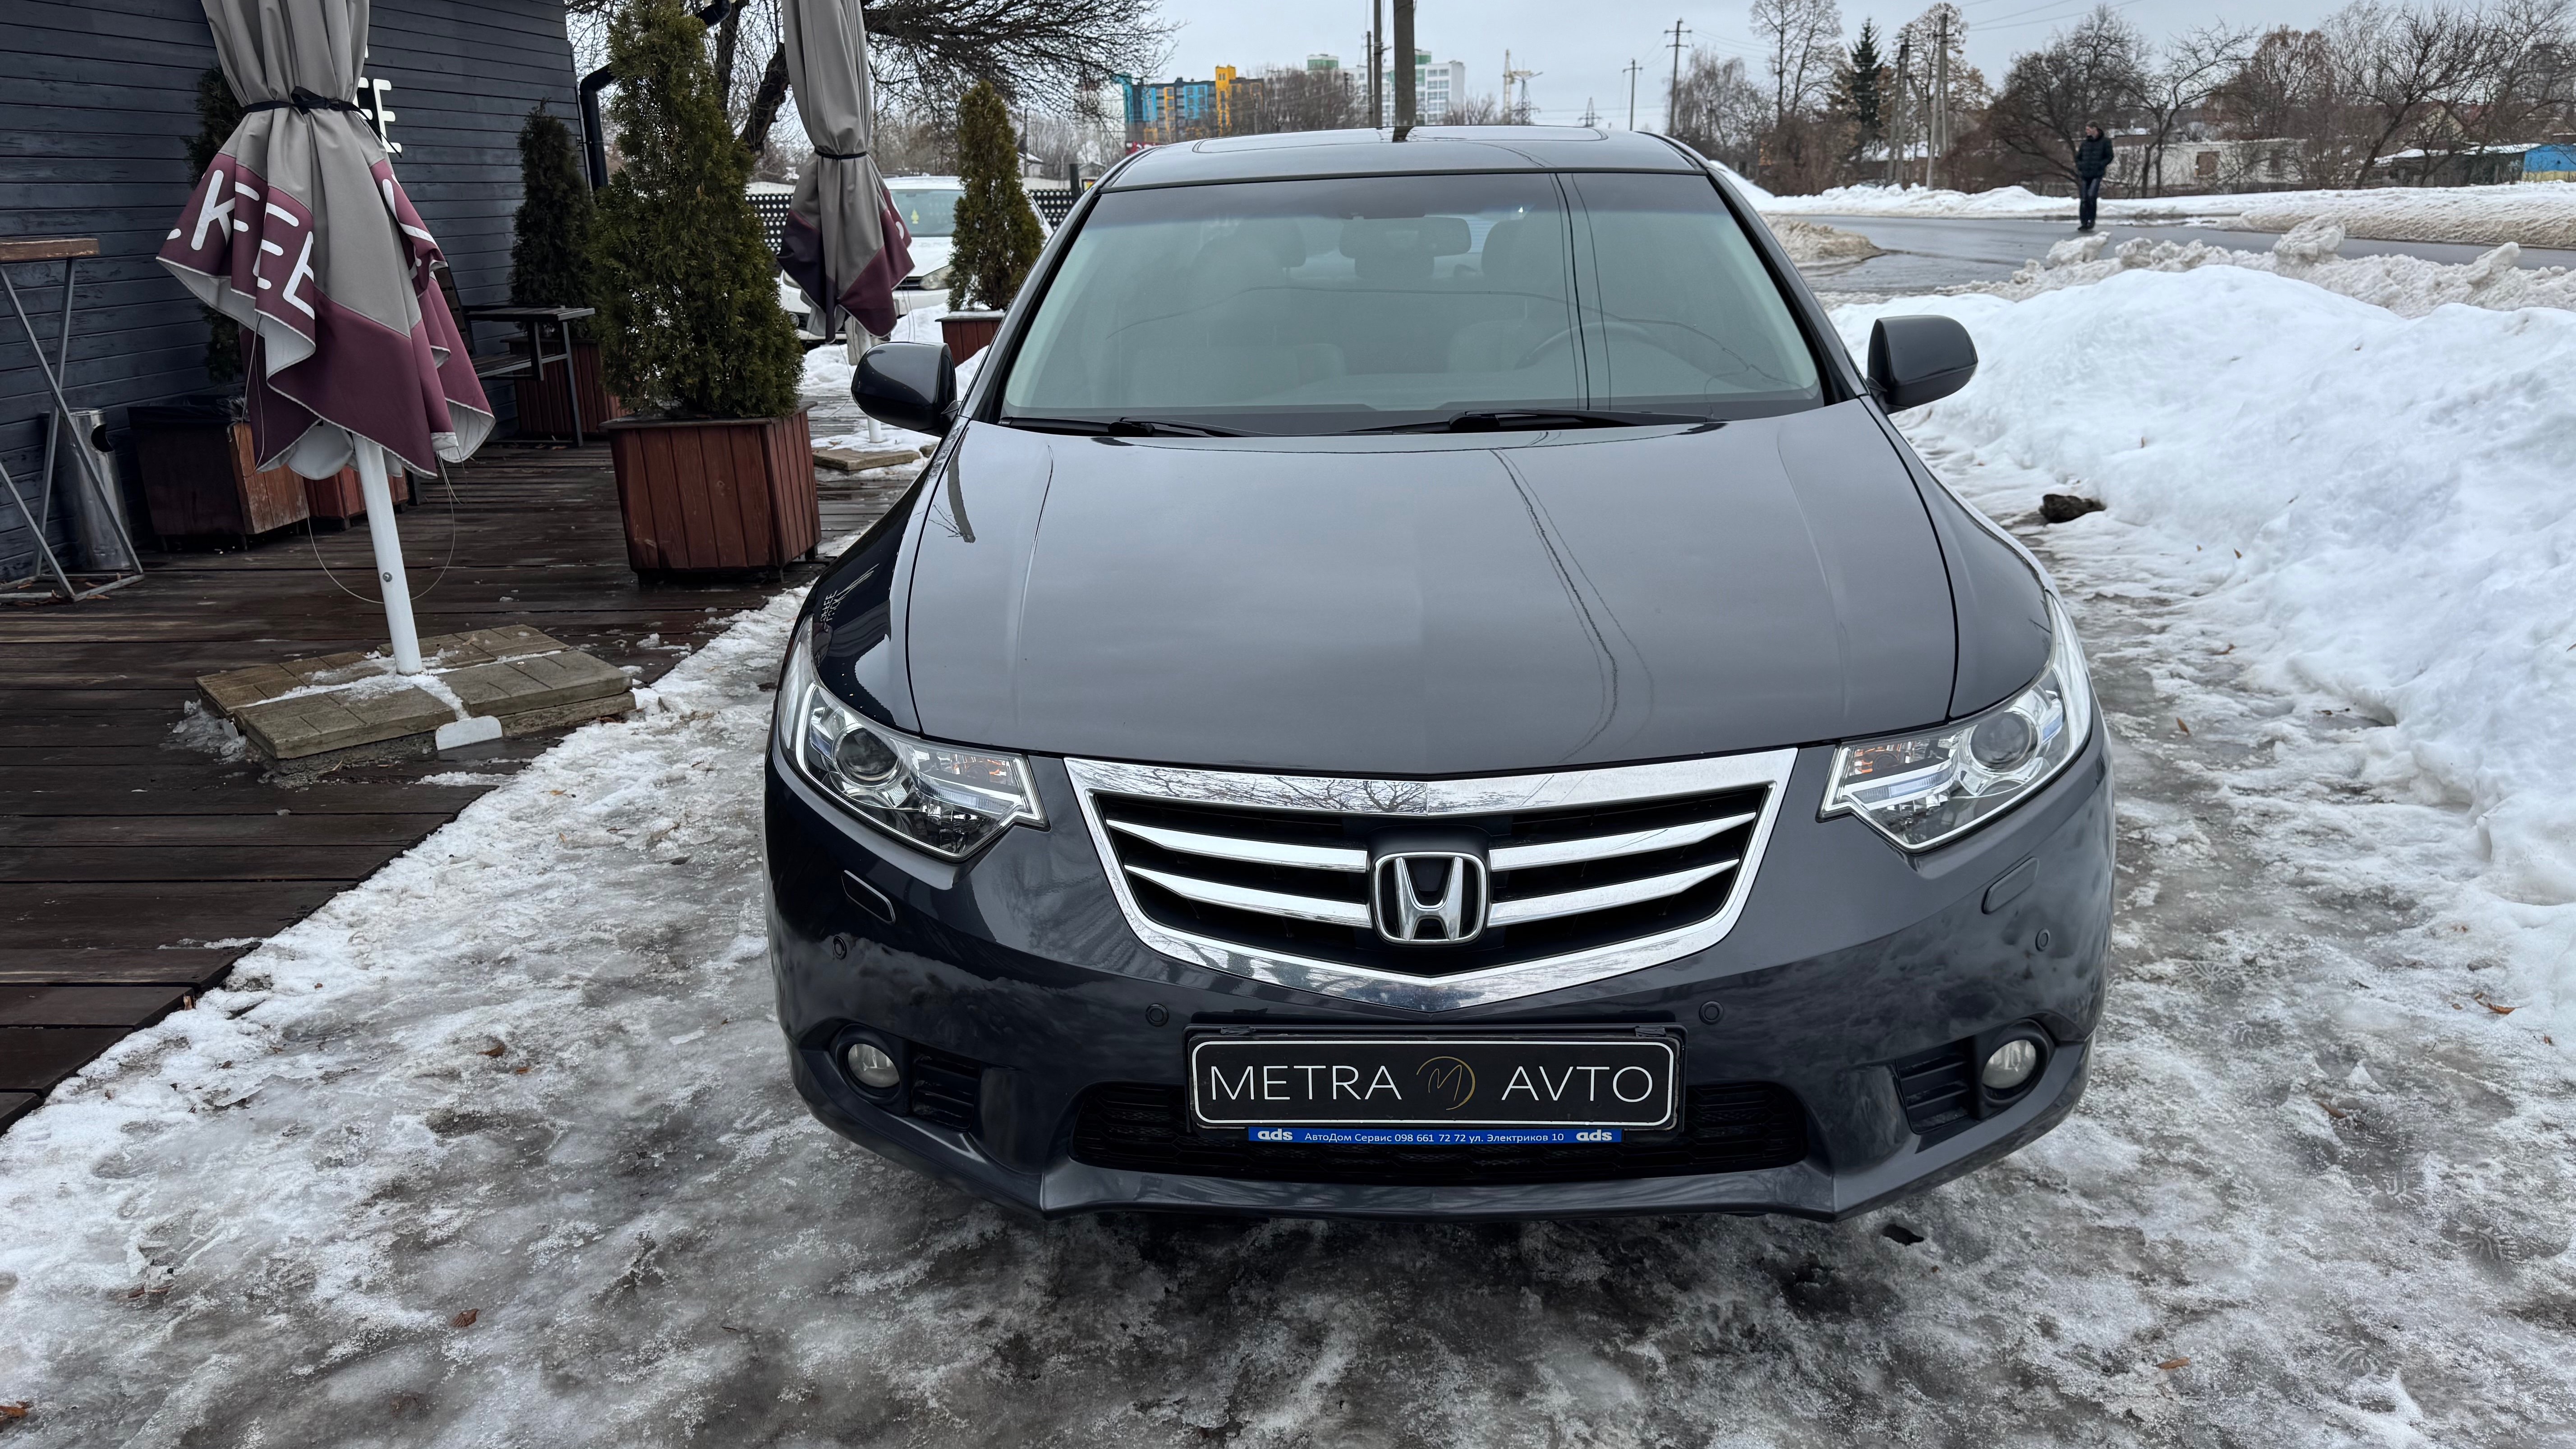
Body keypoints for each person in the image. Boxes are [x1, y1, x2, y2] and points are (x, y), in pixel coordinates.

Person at [2075, 123, 2114, 232]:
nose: (2087, 132)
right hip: (2085, 174)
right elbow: (2078, 158)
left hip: (2097, 174)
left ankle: (2091, 220)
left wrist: (2101, 165)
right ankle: (2084, 222)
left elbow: (2110, 156)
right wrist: (2081, 166)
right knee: (2084, 199)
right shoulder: (2085, 143)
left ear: (2095, 129)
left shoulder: (2106, 142)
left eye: (2088, 129)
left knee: (2092, 196)